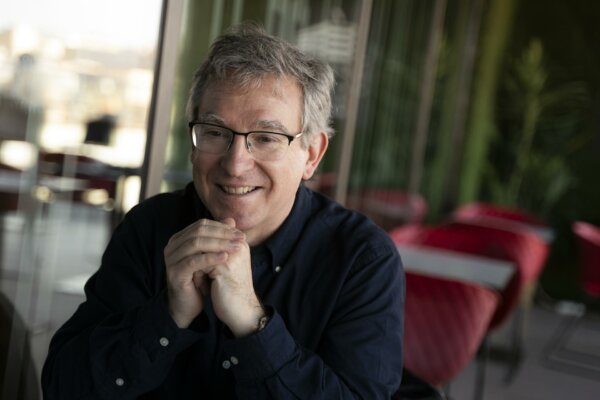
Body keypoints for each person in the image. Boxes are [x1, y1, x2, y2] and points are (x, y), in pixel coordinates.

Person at [42, 23, 404, 399]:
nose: (235, 165)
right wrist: (168, 315)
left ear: (311, 154)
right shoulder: (150, 227)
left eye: (266, 138)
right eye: (215, 132)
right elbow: (63, 388)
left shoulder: (362, 259)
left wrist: (252, 321)